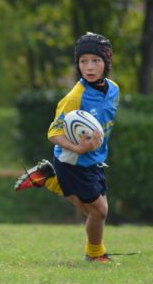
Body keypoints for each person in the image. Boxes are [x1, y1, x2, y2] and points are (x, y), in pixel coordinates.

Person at [13, 32, 119, 264]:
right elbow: (54, 133)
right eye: (83, 62)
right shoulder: (74, 98)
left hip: (95, 159)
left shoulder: (113, 90)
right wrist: (78, 148)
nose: (89, 67)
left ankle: (50, 179)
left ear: (107, 62)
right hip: (73, 161)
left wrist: (94, 143)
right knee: (99, 211)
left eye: (95, 61)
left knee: (91, 210)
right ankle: (95, 254)